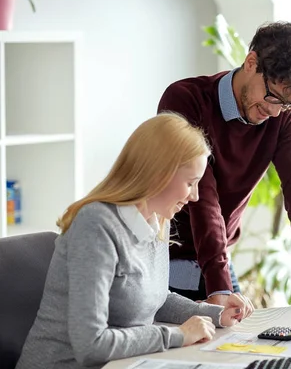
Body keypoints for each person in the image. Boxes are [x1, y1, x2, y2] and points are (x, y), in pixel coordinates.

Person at [16, 113, 254, 369]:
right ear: (159, 174)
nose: (195, 196)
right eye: (190, 183)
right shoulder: (96, 226)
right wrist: (178, 335)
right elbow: (91, 346)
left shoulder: (156, 221)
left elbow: (157, 298)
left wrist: (216, 314)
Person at [157, 21, 291, 307]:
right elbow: (204, 197)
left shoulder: (282, 117)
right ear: (251, 62)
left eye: (287, 104)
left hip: (219, 263)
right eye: (273, 96)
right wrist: (220, 287)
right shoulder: (186, 100)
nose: (275, 112)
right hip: (168, 264)